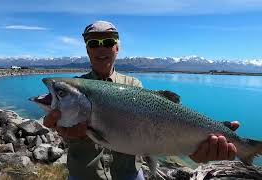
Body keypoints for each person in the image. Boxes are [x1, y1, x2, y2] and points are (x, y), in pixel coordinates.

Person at [43, 20, 239, 180]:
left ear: (117, 48)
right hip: (84, 176)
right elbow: (65, 127)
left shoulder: (133, 85)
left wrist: (193, 149)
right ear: (87, 50)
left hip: (129, 175)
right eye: (94, 43)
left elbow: (154, 133)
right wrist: (61, 130)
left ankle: (244, 147)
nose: (101, 48)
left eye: (108, 42)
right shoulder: (71, 90)